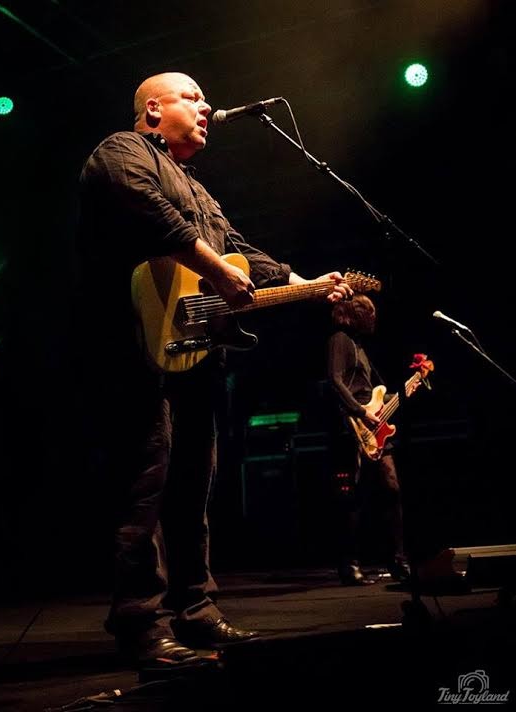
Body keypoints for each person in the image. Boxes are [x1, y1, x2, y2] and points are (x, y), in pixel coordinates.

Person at [77, 71, 353, 667]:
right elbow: (145, 208)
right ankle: (140, 625)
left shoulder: (198, 187)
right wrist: (216, 268)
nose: (207, 107)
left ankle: (196, 611)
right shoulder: (122, 150)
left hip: (194, 351)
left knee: (192, 485)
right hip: (134, 347)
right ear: (154, 108)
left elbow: (237, 249)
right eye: (192, 97)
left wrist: (304, 282)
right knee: (145, 484)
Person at [326, 294, 410, 586]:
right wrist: (361, 411)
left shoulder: (360, 346)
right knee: (353, 495)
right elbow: (335, 380)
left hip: (375, 426)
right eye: (369, 313)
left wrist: (409, 388)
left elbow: (375, 391)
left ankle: (398, 560)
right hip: (352, 426)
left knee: (392, 487)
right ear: (355, 314)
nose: (374, 318)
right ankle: (349, 564)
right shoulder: (339, 339)